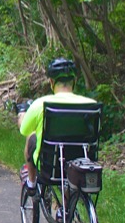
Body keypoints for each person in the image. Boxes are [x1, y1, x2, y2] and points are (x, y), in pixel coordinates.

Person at [17, 58, 97, 196]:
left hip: (50, 164)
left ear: (52, 82)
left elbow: (24, 130)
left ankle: (31, 182)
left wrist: (22, 115)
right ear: (74, 81)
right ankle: (65, 208)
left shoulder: (40, 103)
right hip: (81, 162)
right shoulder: (91, 104)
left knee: (31, 136)